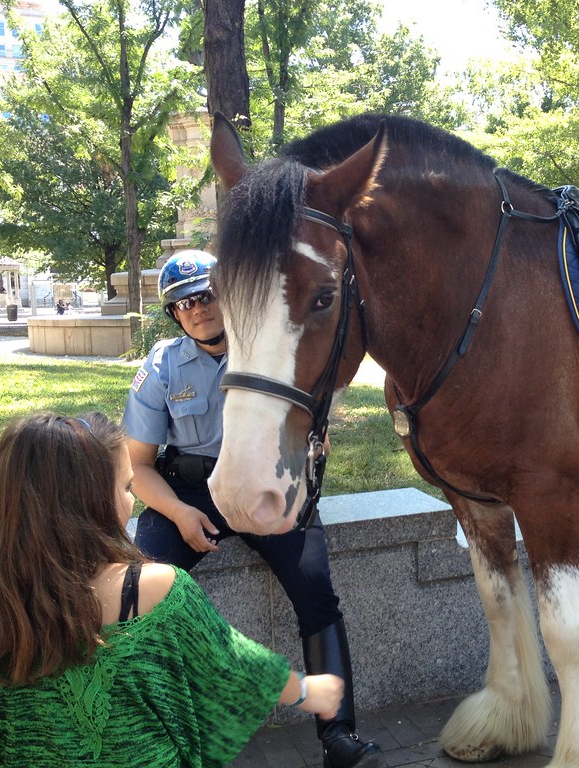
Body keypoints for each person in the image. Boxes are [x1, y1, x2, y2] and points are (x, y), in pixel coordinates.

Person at [122, 250, 382, 768]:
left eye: (206, 295)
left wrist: (314, 438)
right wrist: (177, 513)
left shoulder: (272, 349)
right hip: (190, 493)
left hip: (267, 481)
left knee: (316, 595)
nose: (198, 309)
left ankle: (339, 738)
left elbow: (312, 410)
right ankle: (143, 736)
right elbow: (138, 467)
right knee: (132, 593)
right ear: (175, 314)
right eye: (184, 304)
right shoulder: (161, 367)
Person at [0, 412, 344, 767]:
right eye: (126, 486)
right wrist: (309, 691)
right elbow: (236, 666)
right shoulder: (154, 591)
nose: (131, 500)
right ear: (91, 502)